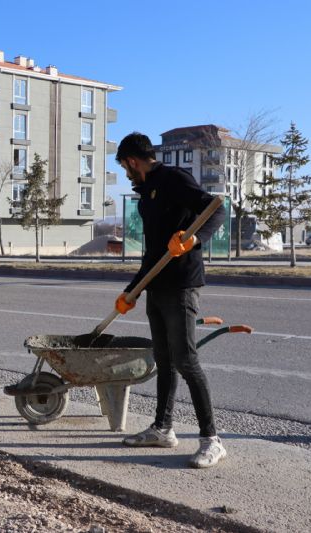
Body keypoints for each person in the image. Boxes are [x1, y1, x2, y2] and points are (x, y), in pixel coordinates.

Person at [114, 132, 226, 468]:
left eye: (124, 166)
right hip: (156, 284)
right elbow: (152, 252)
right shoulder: (146, 194)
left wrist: (192, 241)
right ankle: (163, 429)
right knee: (164, 360)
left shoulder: (174, 179)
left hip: (181, 285)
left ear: (132, 160)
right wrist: (132, 290)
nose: (125, 172)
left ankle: (212, 440)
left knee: (186, 360)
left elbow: (214, 212)